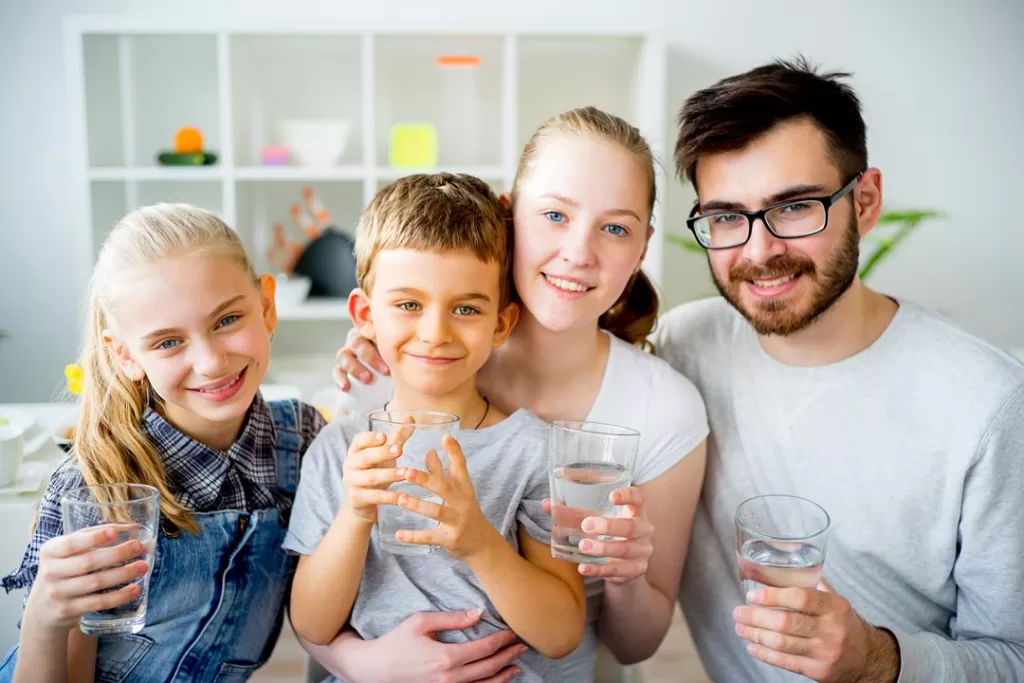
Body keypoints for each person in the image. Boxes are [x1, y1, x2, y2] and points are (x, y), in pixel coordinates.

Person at [655, 57, 1024, 682]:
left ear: (867, 201)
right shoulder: (683, 347)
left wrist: (875, 659)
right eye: (726, 217)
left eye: (795, 207)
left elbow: (1014, 657)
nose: (759, 251)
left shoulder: (989, 405)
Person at [321, 107, 709, 683]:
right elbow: (320, 595)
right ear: (509, 215)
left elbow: (634, 648)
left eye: (615, 228)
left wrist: (626, 575)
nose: (579, 252)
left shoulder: (664, 409)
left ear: (642, 246)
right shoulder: (393, 368)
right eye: (554, 215)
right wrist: (361, 663)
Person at [0, 204, 326, 682]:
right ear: (126, 356)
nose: (211, 362)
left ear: (267, 306)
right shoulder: (94, 490)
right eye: (168, 342)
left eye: (227, 320)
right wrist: (45, 619)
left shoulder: (301, 439)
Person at [285, 173, 588, 682]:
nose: (435, 332)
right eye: (409, 305)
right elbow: (313, 624)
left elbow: (560, 635)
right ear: (365, 314)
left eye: (466, 308)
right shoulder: (339, 448)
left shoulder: (532, 451)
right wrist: (355, 515)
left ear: (501, 324)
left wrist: (480, 544)